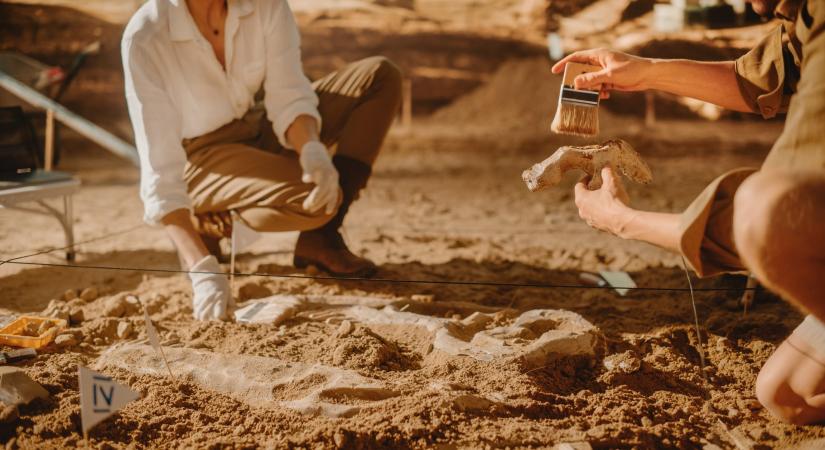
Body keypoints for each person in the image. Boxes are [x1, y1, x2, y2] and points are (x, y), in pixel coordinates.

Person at [553, 0, 824, 425]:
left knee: (764, 207)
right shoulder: (804, 13)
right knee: (787, 394)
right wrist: (645, 72)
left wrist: (624, 221)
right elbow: (762, 78)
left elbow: (775, 224)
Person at [121, 0, 402, 321]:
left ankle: (321, 238)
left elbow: (288, 94)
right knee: (315, 202)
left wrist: (311, 148)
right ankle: (203, 218)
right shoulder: (145, 36)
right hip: (198, 156)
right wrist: (201, 271)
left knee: (379, 76)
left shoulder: (265, 5)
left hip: (257, 122)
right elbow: (159, 167)